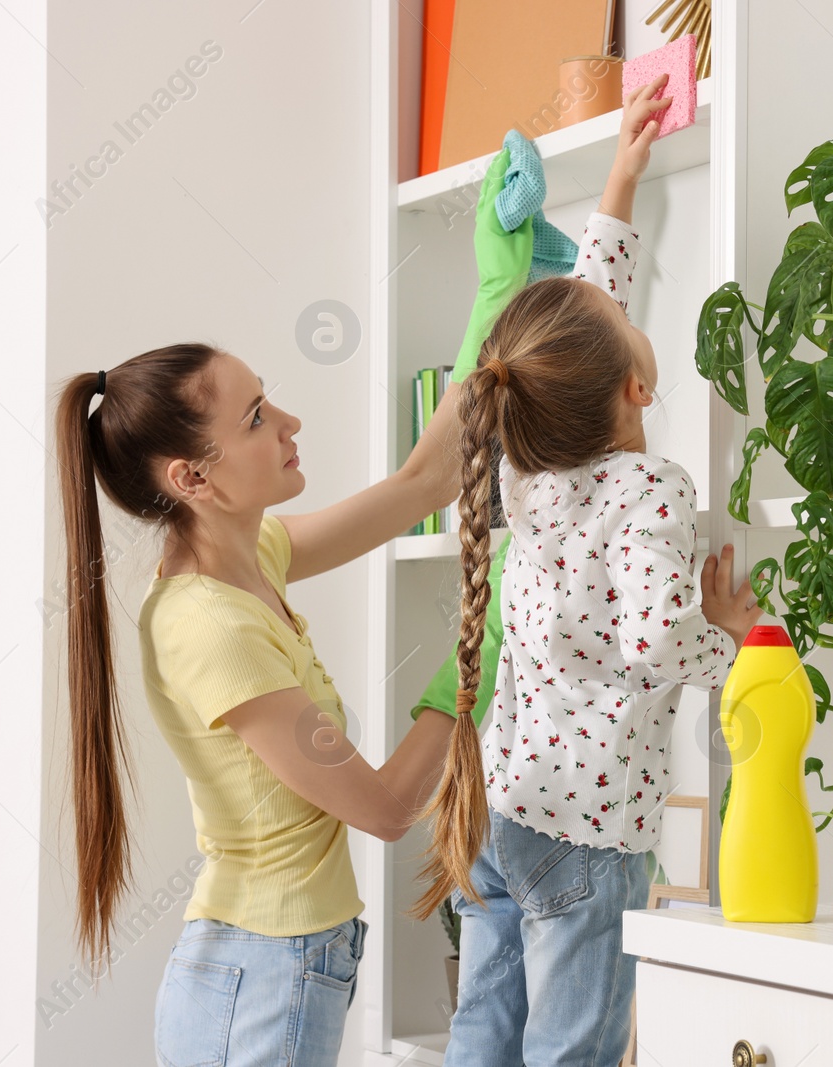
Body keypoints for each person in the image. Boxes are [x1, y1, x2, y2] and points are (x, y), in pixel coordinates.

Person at [412, 73, 765, 1067]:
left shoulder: (530, 466)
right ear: (638, 386)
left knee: (481, 1026)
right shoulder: (650, 483)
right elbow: (656, 639)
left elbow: (579, 332)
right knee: (572, 1045)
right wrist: (726, 638)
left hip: (500, 807)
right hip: (589, 830)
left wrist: (620, 181)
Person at [52, 336, 466, 1065]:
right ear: (192, 476)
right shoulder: (211, 625)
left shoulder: (252, 555)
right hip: (266, 977)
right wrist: (471, 667)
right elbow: (383, 807)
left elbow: (422, 486)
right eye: (254, 418)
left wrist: (495, 311)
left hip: (268, 967)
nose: (290, 421)